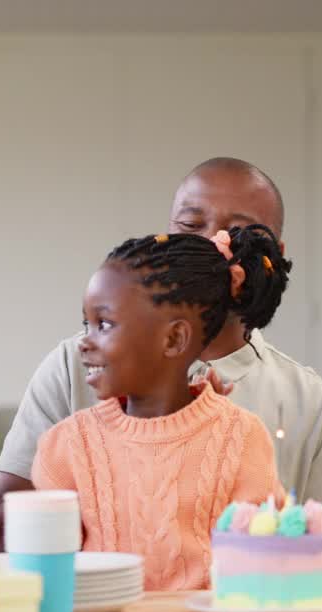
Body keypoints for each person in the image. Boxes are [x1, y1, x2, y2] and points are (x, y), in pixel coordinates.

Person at [0, 158, 322, 583]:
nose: (212, 244)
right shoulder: (75, 368)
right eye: (191, 226)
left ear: (275, 254)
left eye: (238, 232)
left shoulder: (309, 406)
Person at [32, 227, 288, 591]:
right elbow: (51, 584)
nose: (85, 343)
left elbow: (267, 573)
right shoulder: (64, 449)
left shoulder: (242, 439)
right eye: (85, 323)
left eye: (104, 324)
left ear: (173, 339)